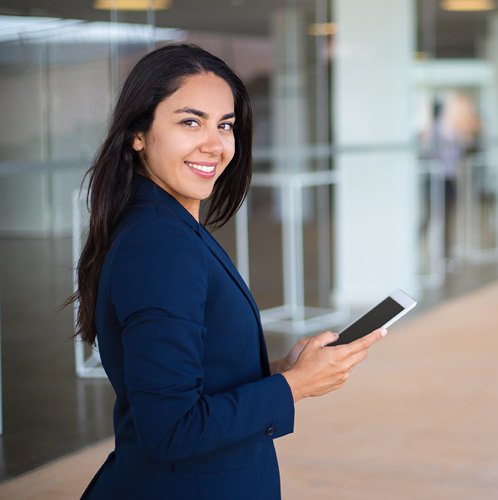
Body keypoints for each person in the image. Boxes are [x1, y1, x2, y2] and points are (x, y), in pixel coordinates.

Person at [71, 43, 385, 500]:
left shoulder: (168, 226)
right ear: (138, 134)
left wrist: (280, 371)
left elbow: (189, 378)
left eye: (225, 125)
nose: (214, 144)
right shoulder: (159, 246)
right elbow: (172, 429)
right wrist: (295, 386)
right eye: (189, 121)